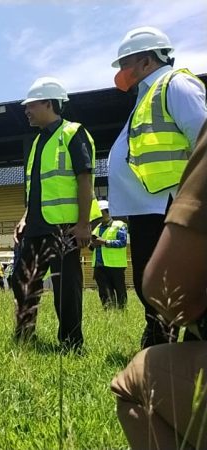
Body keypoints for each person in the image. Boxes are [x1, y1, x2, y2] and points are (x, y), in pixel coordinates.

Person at [107, 26, 207, 349]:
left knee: (167, 283)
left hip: (167, 203)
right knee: (148, 283)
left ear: (147, 60)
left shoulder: (175, 85)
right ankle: (160, 341)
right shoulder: (147, 94)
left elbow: (202, 136)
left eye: (126, 63)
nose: (121, 72)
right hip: (147, 207)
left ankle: (173, 345)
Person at [110, 122, 207, 450]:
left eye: (125, 64)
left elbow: (171, 290)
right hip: (115, 256)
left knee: (133, 381)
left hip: (153, 221)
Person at [12, 77, 101, 350]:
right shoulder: (38, 141)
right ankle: (25, 334)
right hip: (36, 225)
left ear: (48, 103)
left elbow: (84, 178)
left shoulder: (73, 133)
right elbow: (36, 187)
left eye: (31, 105)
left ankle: (71, 342)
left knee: (66, 288)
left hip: (64, 226)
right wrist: (25, 217)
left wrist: (84, 224)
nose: (26, 111)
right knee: (22, 280)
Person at [89, 200, 128, 309]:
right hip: (99, 265)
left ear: (108, 211)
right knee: (104, 292)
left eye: (101, 212)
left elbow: (122, 242)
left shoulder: (119, 225)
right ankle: (109, 313)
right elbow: (92, 248)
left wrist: (104, 242)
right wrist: (92, 244)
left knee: (120, 290)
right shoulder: (97, 228)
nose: (99, 216)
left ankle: (122, 313)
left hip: (116, 265)